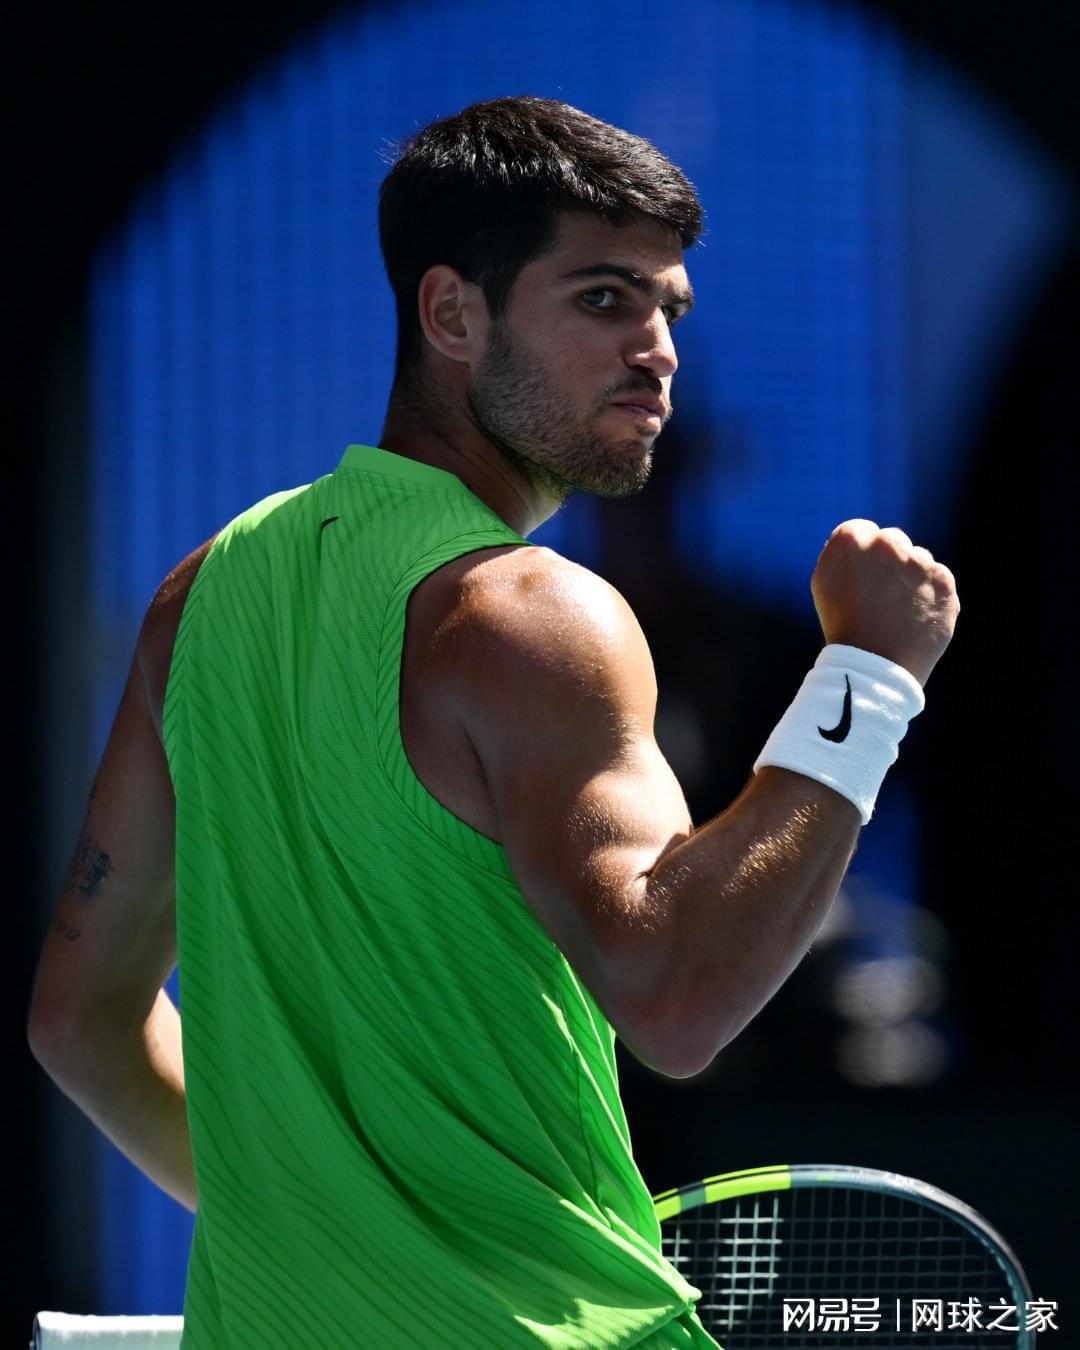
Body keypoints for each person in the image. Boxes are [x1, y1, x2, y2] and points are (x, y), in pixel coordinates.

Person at [28, 95, 959, 1348]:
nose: (656, 350)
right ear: (452, 315)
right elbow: (677, 996)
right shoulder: (537, 614)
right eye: (602, 299)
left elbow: (80, 1018)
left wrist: (334, 1241)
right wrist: (869, 677)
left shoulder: (199, 595)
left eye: (667, 309)